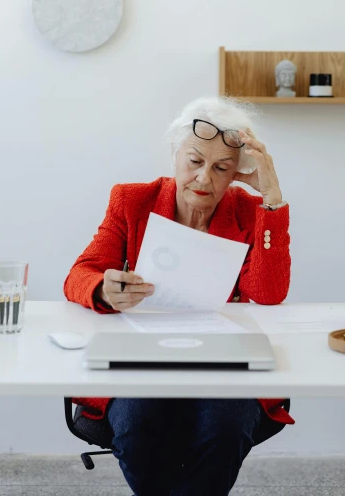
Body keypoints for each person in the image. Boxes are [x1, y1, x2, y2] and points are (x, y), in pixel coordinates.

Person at [64, 96, 293, 496]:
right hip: (142, 355)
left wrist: (272, 199)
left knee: (224, 430)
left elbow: (268, 294)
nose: (204, 179)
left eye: (221, 168)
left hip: (223, 360)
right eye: (194, 162)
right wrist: (103, 288)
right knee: (138, 426)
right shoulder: (132, 200)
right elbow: (79, 274)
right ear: (175, 155)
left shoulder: (248, 210)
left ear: (238, 172)